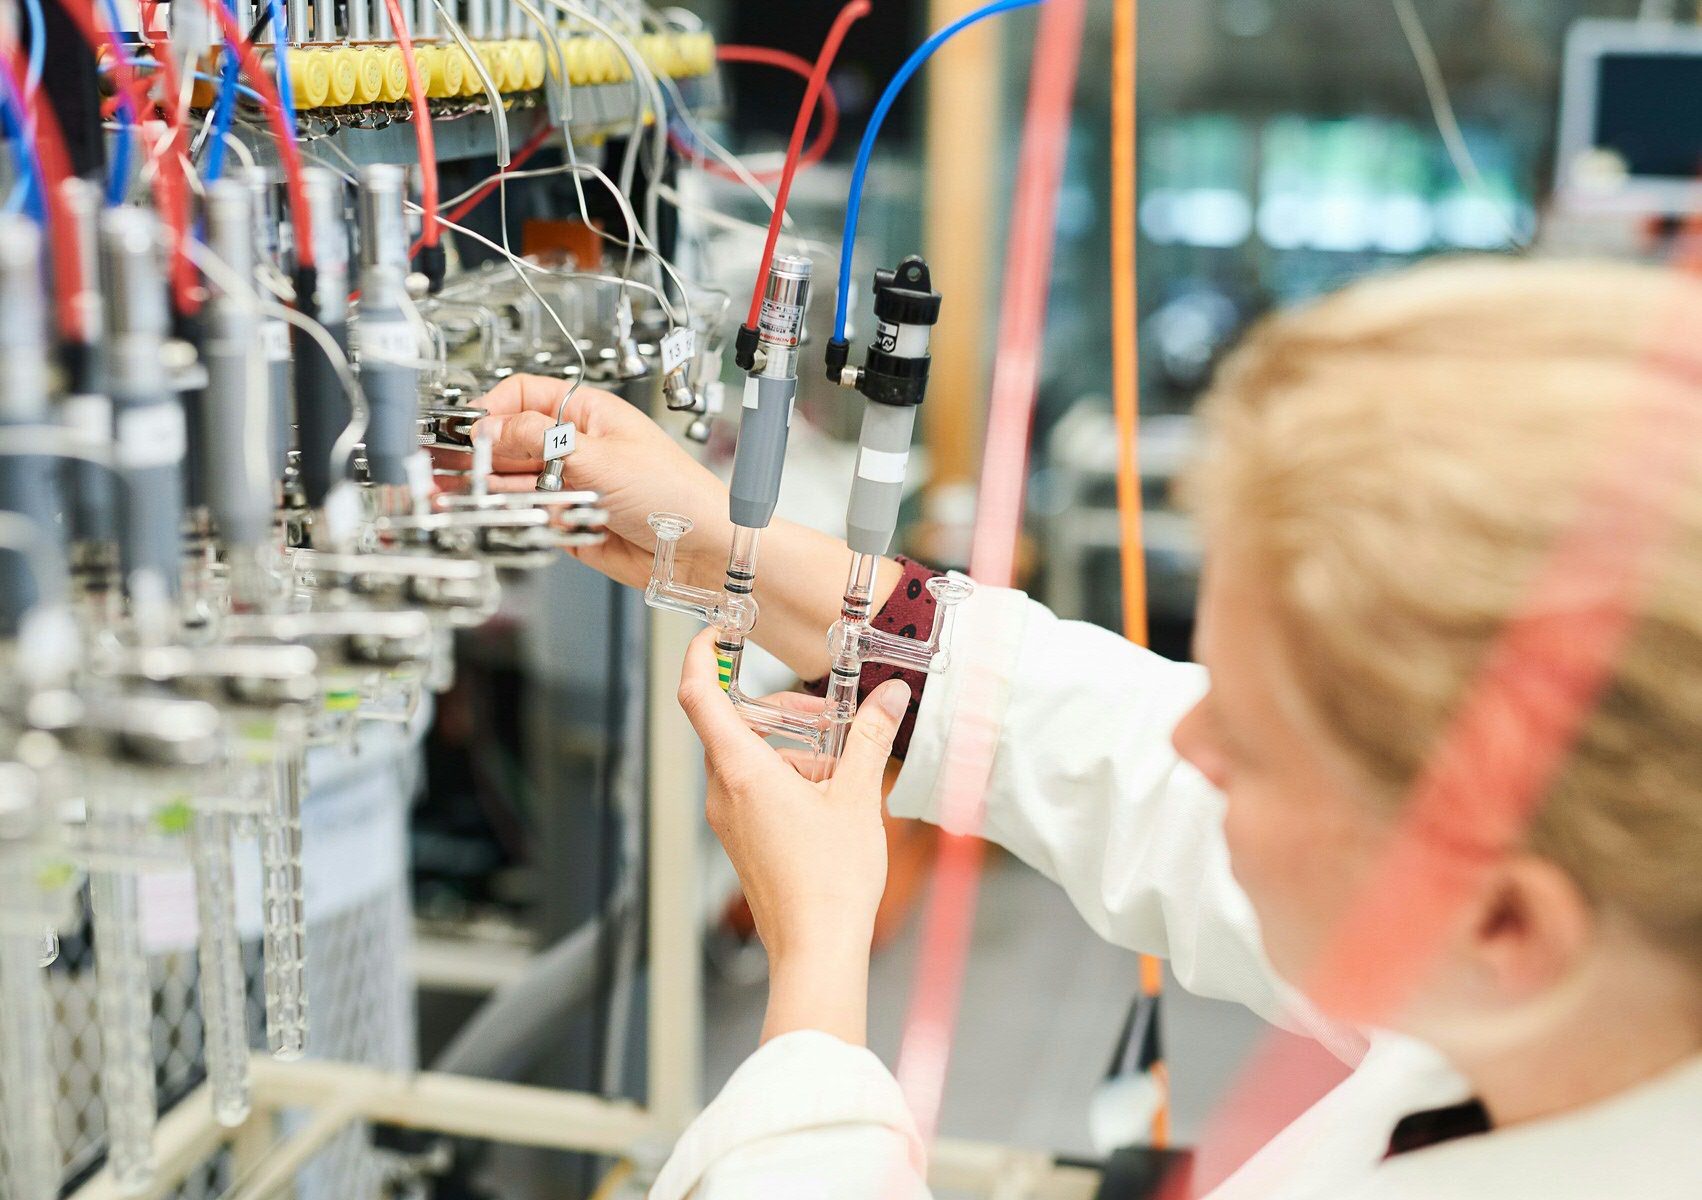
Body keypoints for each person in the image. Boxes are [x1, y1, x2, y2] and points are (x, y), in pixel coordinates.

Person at [461, 259, 1702, 1198]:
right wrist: (730, 547)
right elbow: (1126, 758)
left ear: (1504, 919)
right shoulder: (1606, 993)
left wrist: (817, 973)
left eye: (1253, 742)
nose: (1187, 748)